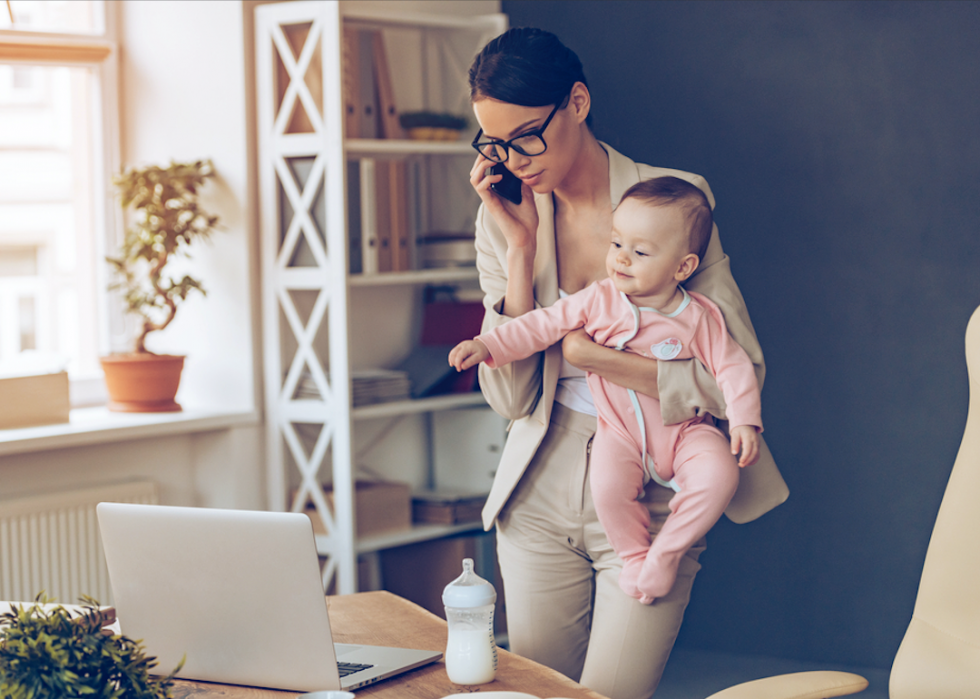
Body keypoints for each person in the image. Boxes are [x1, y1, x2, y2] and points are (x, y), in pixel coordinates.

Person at [466, 27, 788, 699]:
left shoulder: (674, 199)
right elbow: (511, 399)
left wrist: (594, 358)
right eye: (494, 144)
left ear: (577, 102)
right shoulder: (501, 218)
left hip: (655, 483)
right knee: (538, 695)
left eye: (526, 136)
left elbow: (737, 374)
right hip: (540, 485)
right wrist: (520, 252)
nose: (513, 160)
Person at [450, 177, 762, 604]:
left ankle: (666, 552)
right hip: (619, 434)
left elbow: (733, 366)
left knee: (721, 474)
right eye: (616, 244)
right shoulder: (598, 299)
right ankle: (635, 556)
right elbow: (542, 325)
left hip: (687, 431)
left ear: (683, 267)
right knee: (608, 486)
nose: (621, 259)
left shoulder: (698, 316)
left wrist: (744, 421)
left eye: (640, 252)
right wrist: (487, 344)